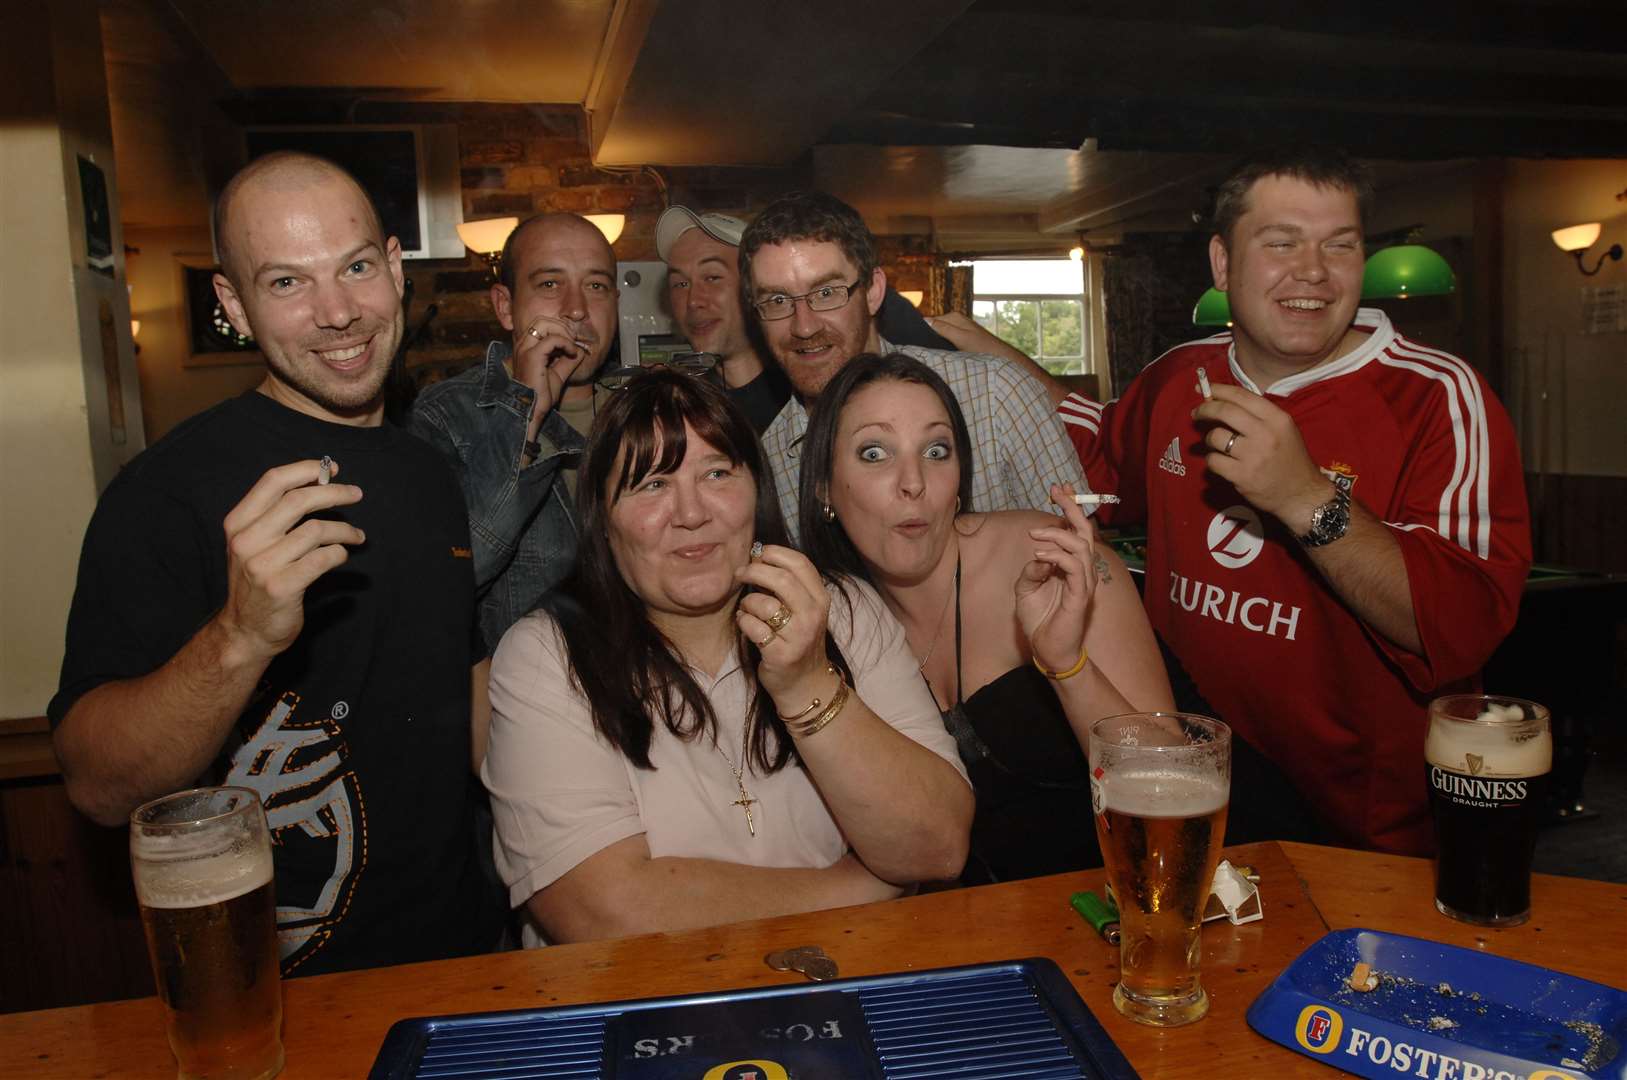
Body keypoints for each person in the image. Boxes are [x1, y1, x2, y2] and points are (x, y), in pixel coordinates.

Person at [49, 152, 504, 976]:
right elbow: (97, 785)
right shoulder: (164, 492)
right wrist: (240, 635)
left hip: (464, 955)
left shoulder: (427, 471)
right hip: (285, 991)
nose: (339, 313)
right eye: (288, 283)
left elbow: (457, 677)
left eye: (356, 267)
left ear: (396, 269)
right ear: (235, 305)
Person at [1073, 148, 1532, 855]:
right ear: (1222, 263)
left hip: (1360, 831)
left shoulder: (1436, 395)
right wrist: (983, 363)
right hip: (1194, 792)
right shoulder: (1176, 377)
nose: (1312, 271)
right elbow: (1097, 458)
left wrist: (1305, 497)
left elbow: (1460, 627)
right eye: (1281, 242)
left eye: (1338, 246)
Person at [482, 369, 973, 944]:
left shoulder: (843, 611)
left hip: (846, 987)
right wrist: (860, 891)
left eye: (717, 473)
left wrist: (807, 683)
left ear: (756, 494)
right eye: (651, 484)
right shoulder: (545, 656)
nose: (691, 513)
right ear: (604, 520)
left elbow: (936, 846)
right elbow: (602, 911)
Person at [799, 353, 1173, 881]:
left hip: (1140, 902)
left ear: (959, 482)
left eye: (936, 450)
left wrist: (1068, 666)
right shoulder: (826, 623)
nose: (913, 482)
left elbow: (1166, 787)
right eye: (875, 452)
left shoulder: (1048, 558)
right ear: (824, 490)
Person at [738, 191, 1087, 539]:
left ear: (873, 291)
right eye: (777, 300)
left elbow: (1087, 555)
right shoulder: (772, 462)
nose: (804, 326)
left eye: (826, 293)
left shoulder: (994, 394)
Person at [411, 213, 619, 653]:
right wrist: (524, 411)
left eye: (596, 285)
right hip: (524, 705)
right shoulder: (446, 416)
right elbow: (442, 585)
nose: (577, 308)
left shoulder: (639, 407)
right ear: (505, 306)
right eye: (549, 284)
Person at [657, 206, 792, 434]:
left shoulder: (804, 394)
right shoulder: (677, 410)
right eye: (680, 284)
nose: (692, 301)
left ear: (754, 287)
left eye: (712, 277)